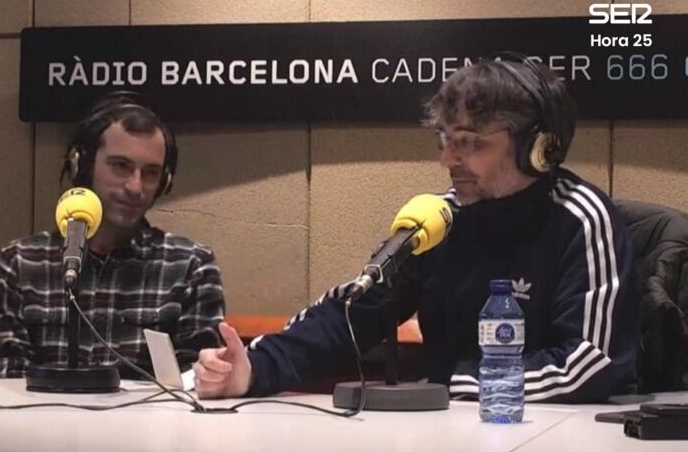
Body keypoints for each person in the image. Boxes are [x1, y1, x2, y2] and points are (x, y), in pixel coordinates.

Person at [194, 57, 639, 403]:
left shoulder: (581, 219)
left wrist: (445, 384)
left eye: (470, 143)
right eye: (445, 141)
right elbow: (349, 317)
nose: (448, 161)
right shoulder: (438, 220)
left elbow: (592, 365)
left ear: (538, 150)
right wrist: (251, 369)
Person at [0, 91, 225, 378]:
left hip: (149, 423)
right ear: (82, 166)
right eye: (120, 166)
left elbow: (197, 382)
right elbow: (3, 375)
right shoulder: (21, 263)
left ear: (164, 182)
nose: (136, 187)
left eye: (150, 173)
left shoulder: (190, 266)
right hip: (43, 420)